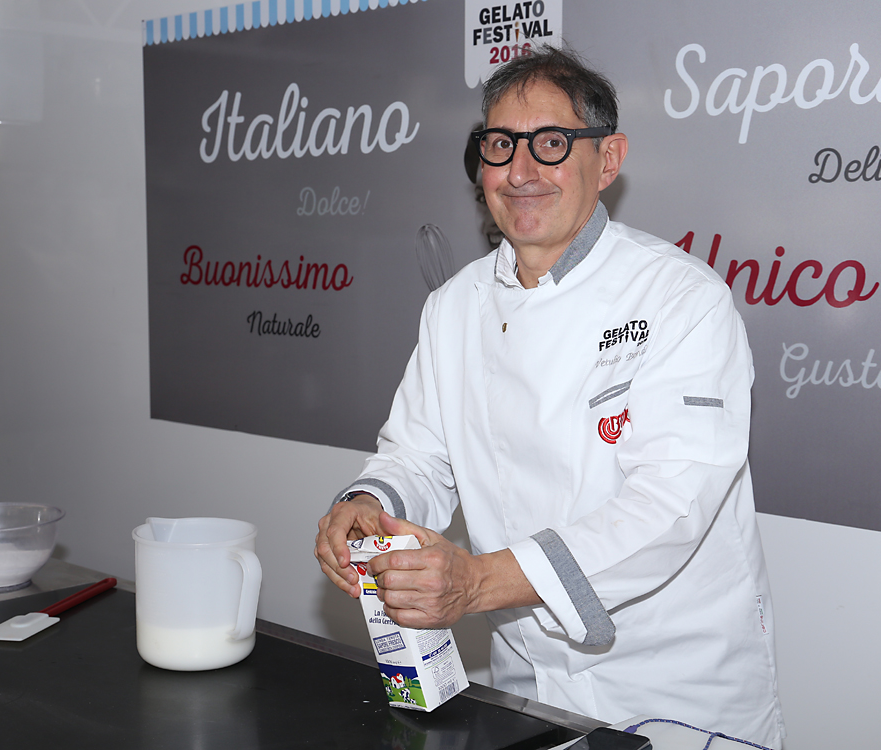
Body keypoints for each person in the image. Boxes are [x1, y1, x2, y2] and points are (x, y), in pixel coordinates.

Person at [315, 46, 784, 748]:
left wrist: (476, 584)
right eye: (500, 145)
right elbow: (417, 452)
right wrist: (368, 506)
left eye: (552, 143)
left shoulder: (681, 298)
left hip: (676, 683)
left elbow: (670, 506)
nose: (521, 171)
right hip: (528, 679)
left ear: (608, 159)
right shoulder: (453, 307)